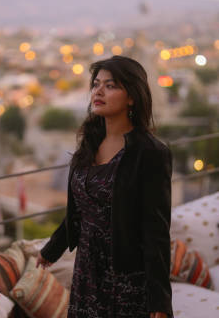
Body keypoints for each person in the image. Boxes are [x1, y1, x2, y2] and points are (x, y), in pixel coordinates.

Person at [36, 55, 173, 318]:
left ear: (132, 96)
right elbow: (82, 210)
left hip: (125, 278)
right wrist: (52, 249)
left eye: (110, 86)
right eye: (96, 84)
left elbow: (156, 231)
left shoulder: (150, 153)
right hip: (86, 272)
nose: (98, 91)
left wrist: (160, 301)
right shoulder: (89, 144)